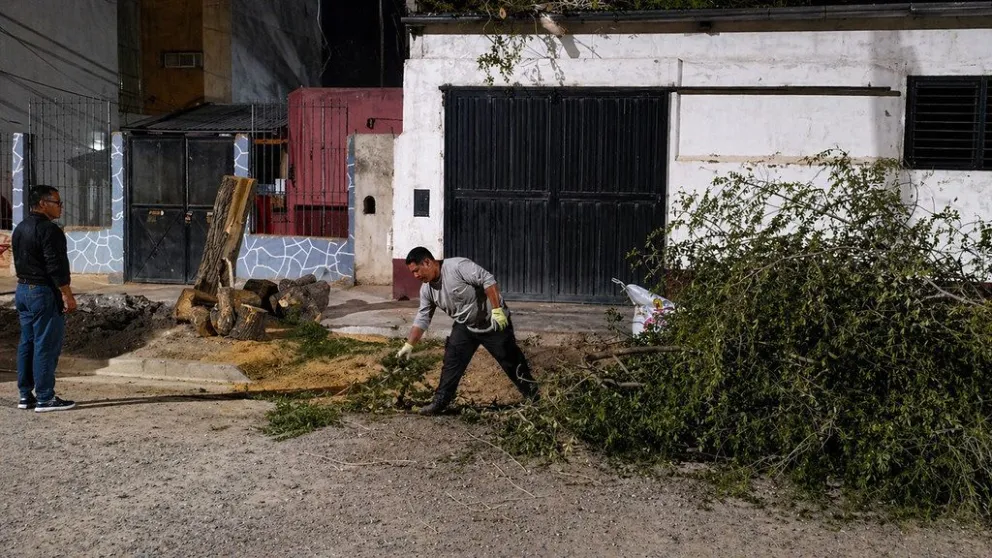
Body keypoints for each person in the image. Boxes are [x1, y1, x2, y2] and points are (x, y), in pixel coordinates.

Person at [397, 246, 539, 415]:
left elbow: (488, 280)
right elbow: (423, 318)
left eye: (417, 271)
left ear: (427, 262)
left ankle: (534, 398)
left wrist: (497, 310)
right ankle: (440, 401)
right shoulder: (427, 290)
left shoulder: (457, 267)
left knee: (511, 361)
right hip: (465, 326)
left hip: (492, 322)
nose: (416, 276)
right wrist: (409, 345)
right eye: (412, 273)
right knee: (452, 362)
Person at [13, 185, 78, 412]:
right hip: (43, 293)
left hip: (22, 291)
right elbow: (56, 266)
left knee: (27, 342)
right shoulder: (50, 230)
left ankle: (25, 395)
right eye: (57, 203)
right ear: (42, 203)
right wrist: (67, 295)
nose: (60, 207)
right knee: (46, 345)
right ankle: (45, 397)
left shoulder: (20, 228)